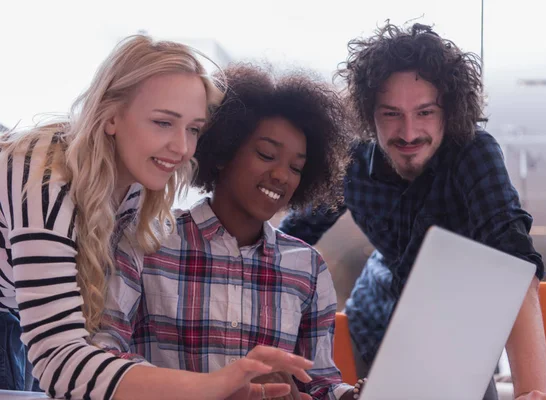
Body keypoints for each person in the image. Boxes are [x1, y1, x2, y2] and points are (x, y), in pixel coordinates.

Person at [0, 36, 314, 400]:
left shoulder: (132, 191)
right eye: (163, 123)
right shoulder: (42, 178)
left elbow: (78, 350)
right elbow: (59, 359)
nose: (182, 148)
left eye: (193, 129)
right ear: (112, 116)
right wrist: (213, 384)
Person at [279, 22, 546, 400]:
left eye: (425, 112)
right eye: (391, 114)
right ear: (368, 114)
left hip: (456, 335)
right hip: (375, 325)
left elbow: (515, 266)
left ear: (449, 110)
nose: (408, 133)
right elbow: (290, 243)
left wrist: (534, 394)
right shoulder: (353, 161)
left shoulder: (473, 153)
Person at [93, 63, 356, 399]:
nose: (281, 175)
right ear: (222, 152)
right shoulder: (146, 238)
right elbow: (105, 351)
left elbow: (319, 383)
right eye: (266, 154)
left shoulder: (308, 267)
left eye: (296, 168)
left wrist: (352, 395)